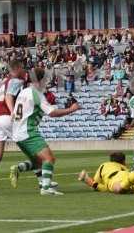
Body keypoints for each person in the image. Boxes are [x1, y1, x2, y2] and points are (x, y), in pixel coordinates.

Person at [9, 67, 80, 195]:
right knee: (49, 159)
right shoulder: (36, 93)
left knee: (37, 162)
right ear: (40, 80)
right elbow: (52, 113)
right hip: (28, 132)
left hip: (17, 133)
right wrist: (72, 109)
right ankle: (46, 188)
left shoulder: (23, 91)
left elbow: (16, 113)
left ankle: (38, 179)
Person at [0, 60, 26, 192]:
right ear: (17, 68)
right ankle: (44, 181)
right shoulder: (16, 81)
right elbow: (8, 97)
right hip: (7, 117)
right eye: (22, 69)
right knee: (32, 149)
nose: (24, 71)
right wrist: (13, 111)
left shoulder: (2, 82)